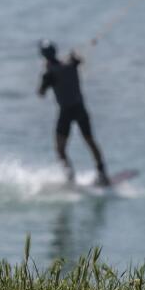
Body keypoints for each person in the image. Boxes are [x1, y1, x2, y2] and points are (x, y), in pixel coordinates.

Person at [37, 40, 110, 187]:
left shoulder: (49, 74)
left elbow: (41, 93)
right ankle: (102, 173)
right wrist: (72, 57)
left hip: (66, 112)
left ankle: (70, 178)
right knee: (90, 141)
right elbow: (78, 60)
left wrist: (47, 72)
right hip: (80, 109)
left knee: (60, 148)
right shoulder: (71, 64)